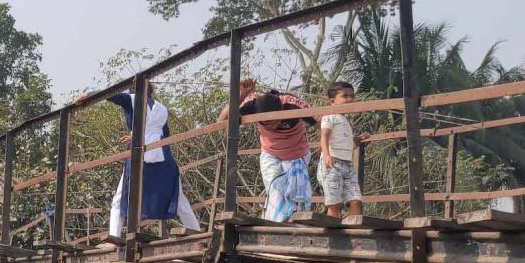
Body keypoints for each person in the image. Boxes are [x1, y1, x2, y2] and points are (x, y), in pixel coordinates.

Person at [74, 87, 201, 238]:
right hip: (164, 158)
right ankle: (196, 233)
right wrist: (138, 135)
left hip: (140, 158)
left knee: (119, 199)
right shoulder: (162, 108)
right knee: (178, 197)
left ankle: (113, 237)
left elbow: (111, 95)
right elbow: (164, 134)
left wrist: (87, 95)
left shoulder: (133, 100)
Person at [218, 79, 316, 222]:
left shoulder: (292, 103)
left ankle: (296, 221)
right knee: (275, 189)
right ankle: (275, 221)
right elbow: (222, 120)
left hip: (297, 154)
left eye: (275, 121)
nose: (272, 126)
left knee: (297, 193)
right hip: (270, 153)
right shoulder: (251, 103)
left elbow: (322, 121)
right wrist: (241, 95)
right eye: (267, 123)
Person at [318, 81, 369, 217]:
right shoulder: (329, 116)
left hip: (347, 165)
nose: (350, 99)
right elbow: (324, 136)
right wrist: (326, 155)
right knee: (335, 203)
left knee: (355, 200)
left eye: (352, 96)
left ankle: (354, 231)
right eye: (345, 96)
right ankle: (332, 232)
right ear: (332, 101)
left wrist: (357, 140)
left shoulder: (345, 120)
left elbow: (347, 145)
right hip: (332, 164)